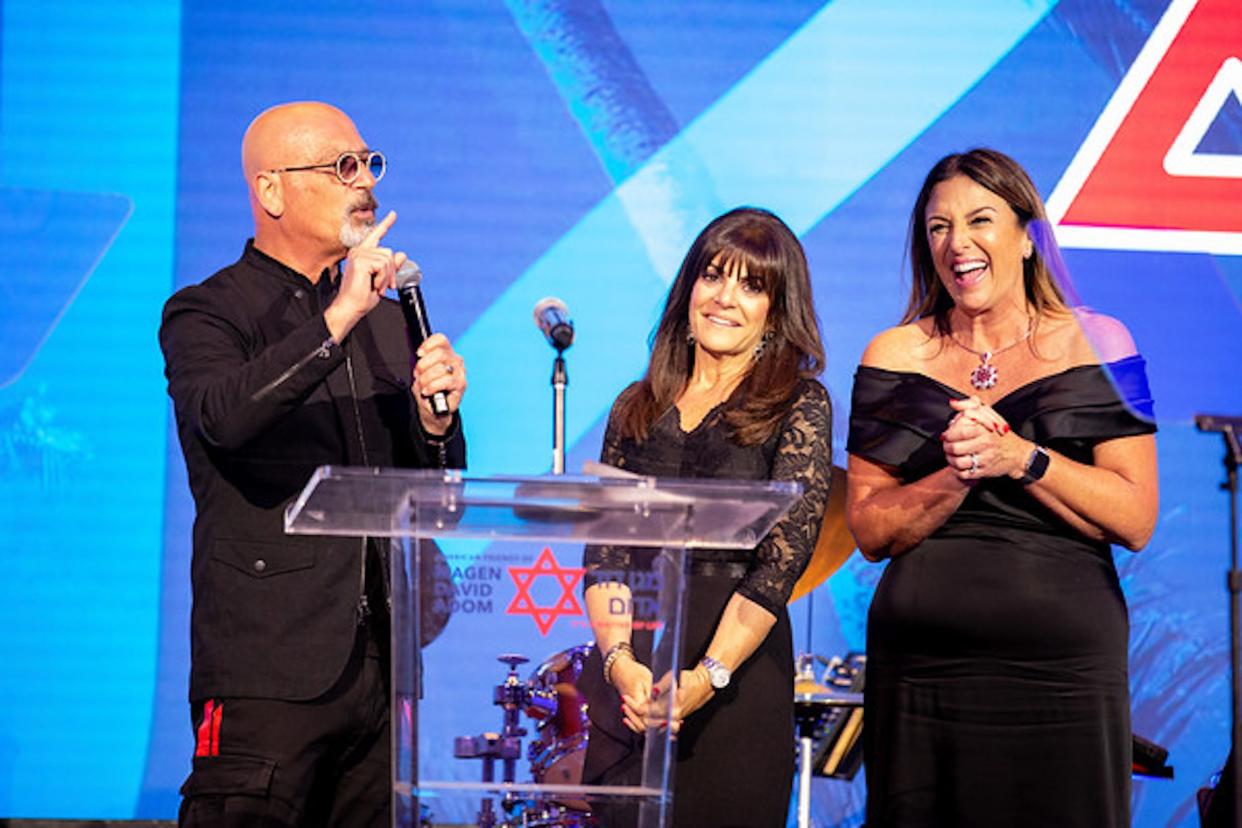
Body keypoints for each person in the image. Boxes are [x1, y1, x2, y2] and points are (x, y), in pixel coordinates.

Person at [159, 101, 467, 826]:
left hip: (383, 669)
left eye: (368, 164)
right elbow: (225, 418)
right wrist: (335, 324)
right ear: (271, 192)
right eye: (341, 167)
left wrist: (435, 421)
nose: (365, 183)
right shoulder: (207, 311)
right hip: (270, 666)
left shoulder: (387, 320)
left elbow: (434, 495)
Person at [846, 148, 1158, 827]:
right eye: (937, 227)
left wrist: (1021, 459)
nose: (957, 244)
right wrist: (956, 473)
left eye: (980, 220)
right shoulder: (893, 354)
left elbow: (1135, 517)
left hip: (1062, 672)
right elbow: (868, 530)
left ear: (1028, 237)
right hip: (923, 672)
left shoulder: (1098, 341)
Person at [579, 207, 833, 827]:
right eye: (713, 276)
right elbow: (605, 553)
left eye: (751, 286)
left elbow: (780, 564)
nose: (725, 298)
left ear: (777, 311)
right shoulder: (635, 407)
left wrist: (706, 676)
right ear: (688, 288)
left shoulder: (798, 404)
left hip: (735, 679)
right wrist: (619, 664)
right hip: (631, 678)